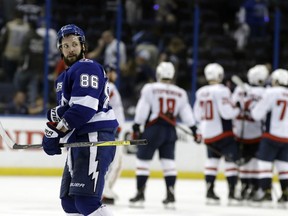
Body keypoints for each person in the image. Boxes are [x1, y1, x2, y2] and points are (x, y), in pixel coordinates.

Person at [41, 24, 118, 216]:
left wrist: (57, 131)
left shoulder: (87, 67)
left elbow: (84, 108)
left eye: (74, 44)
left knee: (86, 201)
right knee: (70, 202)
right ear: (60, 49)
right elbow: (70, 110)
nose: (70, 49)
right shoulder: (63, 77)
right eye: (65, 46)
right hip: (79, 140)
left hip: (94, 137)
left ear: (83, 46)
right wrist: (55, 131)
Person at [129, 62, 199, 208]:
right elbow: (186, 113)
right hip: (170, 130)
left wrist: (136, 125)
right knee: (169, 163)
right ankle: (170, 193)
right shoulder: (180, 92)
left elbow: (143, 108)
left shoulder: (150, 88)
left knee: (143, 161)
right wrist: (194, 129)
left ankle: (140, 194)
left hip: (154, 128)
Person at [193, 63, 241, 205]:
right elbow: (227, 113)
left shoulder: (200, 91)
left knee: (211, 162)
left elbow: (197, 114)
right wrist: (237, 109)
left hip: (208, 133)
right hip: (223, 133)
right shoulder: (222, 90)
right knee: (231, 162)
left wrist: (201, 130)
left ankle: (209, 191)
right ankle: (232, 193)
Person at [250, 69, 288, 207]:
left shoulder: (270, 92)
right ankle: (285, 193)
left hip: (271, 135)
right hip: (286, 137)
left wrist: (252, 107)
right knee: (284, 167)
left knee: (264, 164)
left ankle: (265, 191)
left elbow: (257, 114)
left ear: (276, 81)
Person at [232, 65, 269, 201]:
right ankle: (254, 186)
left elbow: (233, 104)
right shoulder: (265, 92)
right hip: (258, 132)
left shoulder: (239, 90)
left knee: (245, 161)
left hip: (241, 131)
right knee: (255, 161)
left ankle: (244, 186)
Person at [101, 64, 126, 205]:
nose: (115, 75)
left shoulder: (104, 87)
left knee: (113, 163)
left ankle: (105, 190)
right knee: (114, 163)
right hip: (113, 130)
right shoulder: (109, 86)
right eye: (114, 72)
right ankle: (105, 191)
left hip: (111, 128)